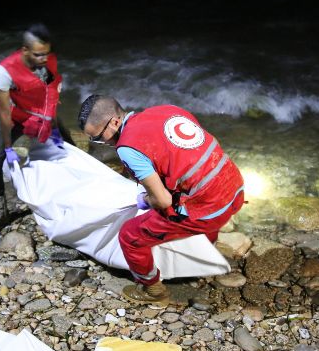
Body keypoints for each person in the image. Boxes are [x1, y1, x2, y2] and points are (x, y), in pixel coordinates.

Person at [78, 95, 245, 307]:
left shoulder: (128, 148)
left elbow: (163, 201)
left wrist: (146, 199)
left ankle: (153, 289)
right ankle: (208, 248)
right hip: (234, 187)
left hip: (209, 209)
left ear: (115, 122)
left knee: (130, 235)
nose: (105, 143)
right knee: (200, 196)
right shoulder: (166, 109)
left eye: (100, 137)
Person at [0, 23, 74, 233]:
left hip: (43, 116)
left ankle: (71, 195)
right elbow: (5, 112)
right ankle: (1, 212)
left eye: (47, 54)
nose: (44, 59)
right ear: (25, 51)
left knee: (68, 150)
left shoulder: (48, 59)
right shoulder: (4, 71)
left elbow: (51, 86)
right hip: (16, 117)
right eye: (38, 55)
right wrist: (8, 148)